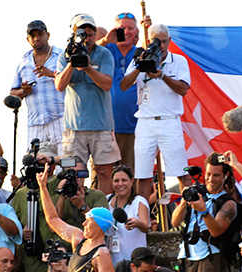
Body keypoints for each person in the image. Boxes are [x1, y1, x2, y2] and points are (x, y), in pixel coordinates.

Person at [170, 153, 237, 272]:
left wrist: (204, 211)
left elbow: (216, 231)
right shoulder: (197, 194)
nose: (210, 179)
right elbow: (175, 221)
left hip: (210, 257)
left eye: (216, 175)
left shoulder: (228, 203)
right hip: (187, 257)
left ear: (225, 177)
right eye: (208, 174)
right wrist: (185, 200)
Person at [120, 23, 191, 202]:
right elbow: (124, 85)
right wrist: (139, 65)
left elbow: (183, 89)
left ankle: (192, 214)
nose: (160, 46)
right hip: (145, 122)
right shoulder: (139, 58)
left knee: (181, 171)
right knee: (142, 174)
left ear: (169, 41)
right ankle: (142, 215)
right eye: (155, 41)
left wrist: (162, 76)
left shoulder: (179, 61)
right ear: (148, 41)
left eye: (164, 41)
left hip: (170, 120)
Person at [55, 14, 121, 194]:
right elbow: (60, 85)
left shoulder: (104, 54)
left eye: (91, 33)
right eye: (83, 33)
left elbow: (107, 84)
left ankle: (105, 208)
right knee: (74, 173)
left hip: (102, 126)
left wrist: (88, 68)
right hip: (74, 128)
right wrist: (71, 63)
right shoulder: (64, 55)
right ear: (74, 34)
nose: (87, 37)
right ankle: (77, 210)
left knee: (104, 172)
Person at [97, 12, 149, 173]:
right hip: (107, 126)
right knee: (104, 173)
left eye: (131, 28)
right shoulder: (106, 49)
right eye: (122, 28)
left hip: (134, 126)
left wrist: (150, 30)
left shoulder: (140, 52)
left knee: (132, 173)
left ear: (136, 31)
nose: (126, 32)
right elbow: (87, 52)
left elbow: (157, 54)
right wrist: (106, 39)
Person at [10, 20, 65, 156]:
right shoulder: (23, 63)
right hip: (36, 123)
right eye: (32, 36)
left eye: (40, 34)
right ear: (28, 39)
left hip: (61, 119)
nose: (36, 38)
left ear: (48, 35)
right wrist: (24, 91)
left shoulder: (62, 56)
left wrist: (52, 74)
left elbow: (74, 80)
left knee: (66, 165)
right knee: (36, 167)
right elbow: (12, 93)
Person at [107, 165, 149, 266]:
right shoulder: (107, 200)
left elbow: (146, 227)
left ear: (131, 181)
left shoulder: (139, 201)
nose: (120, 184)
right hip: (112, 261)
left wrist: (137, 223)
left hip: (134, 261)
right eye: (116, 181)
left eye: (124, 180)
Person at [56, 157, 109, 230]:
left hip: (88, 239)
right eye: (71, 174)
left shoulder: (97, 196)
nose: (76, 177)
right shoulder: (58, 195)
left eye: (80, 173)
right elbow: (53, 225)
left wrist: (82, 206)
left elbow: (103, 226)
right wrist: (62, 195)